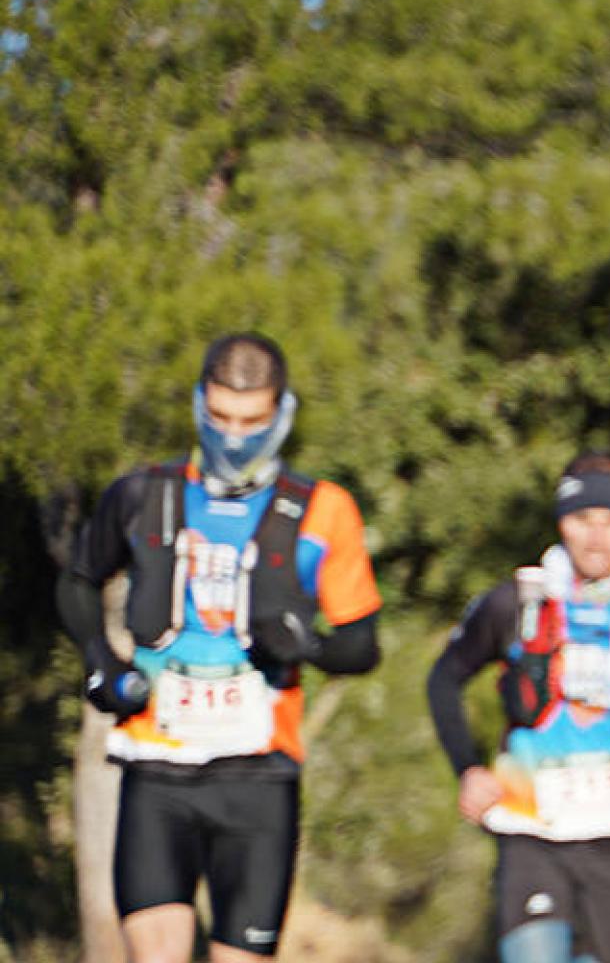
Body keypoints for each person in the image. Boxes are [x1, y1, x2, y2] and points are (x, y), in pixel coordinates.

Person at [56, 333, 383, 963]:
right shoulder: (143, 494)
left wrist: (307, 644)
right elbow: (78, 580)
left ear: (281, 414)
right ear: (199, 407)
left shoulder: (323, 510)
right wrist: (100, 659)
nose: (234, 438)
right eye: (221, 419)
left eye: (252, 422)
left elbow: (363, 645)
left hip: (259, 776)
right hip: (157, 768)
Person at [426, 451, 610, 963]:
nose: (597, 537)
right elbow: (444, 679)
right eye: (582, 519)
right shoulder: (517, 600)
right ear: (561, 521)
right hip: (533, 826)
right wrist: (467, 767)